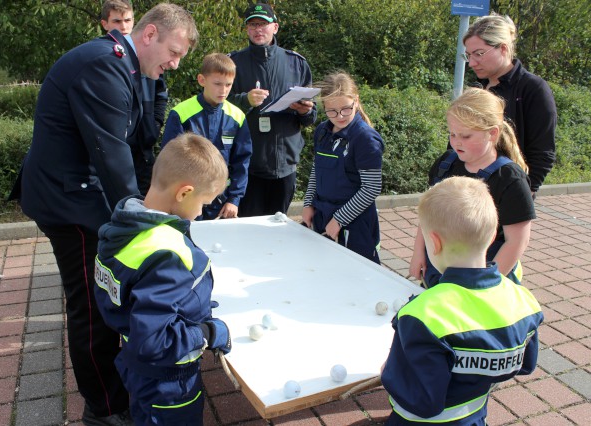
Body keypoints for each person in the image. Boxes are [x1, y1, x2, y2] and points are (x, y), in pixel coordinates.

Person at [10, 4, 198, 424]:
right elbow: (113, 157)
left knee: (106, 298)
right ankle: (104, 407)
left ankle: (114, 386)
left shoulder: (131, 67)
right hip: (71, 205)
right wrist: (151, 226)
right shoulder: (104, 65)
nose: (175, 62)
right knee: (93, 308)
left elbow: (141, 143)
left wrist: (161, 207)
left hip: (82, 194)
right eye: (173, 51)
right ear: (148, 34)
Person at [381, 176, 543, 425]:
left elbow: (419, 398)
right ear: (491, 238)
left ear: (433, 243)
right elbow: (524, 365)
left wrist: (387, 372)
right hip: (474, 416)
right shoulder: (524, 301)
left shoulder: (421, 315)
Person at [94, 133, 232, 426]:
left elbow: (129, 297)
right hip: (169, 382)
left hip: (136, 365)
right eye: (203, 203)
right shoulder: (168, 254)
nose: (200, 213)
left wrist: (189, 303)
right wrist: (206, 332)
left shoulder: (124, 225)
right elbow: (154, 340)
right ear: (184, 193)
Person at [409, 88, 535, 287]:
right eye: (452, 134)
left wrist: (485, 286)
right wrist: (418, 254)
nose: (456, 142)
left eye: (466, 136)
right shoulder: (445, 165)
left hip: (485, 273)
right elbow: (428, 218)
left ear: (492, 133)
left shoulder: (510, 179)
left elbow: (517, 241)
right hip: (440, 269)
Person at [228, 2, 316, 216]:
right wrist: (245, 99)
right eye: (253, 25)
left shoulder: (296, 63)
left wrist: (305, 111)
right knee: (249, 229)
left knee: (280, 228)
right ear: (247, 29)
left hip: (285, 164)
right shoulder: (233, 63)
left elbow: (311, 117)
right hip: (249, 164)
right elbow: (220, 106)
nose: (258, 29)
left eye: (263, 24)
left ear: (275, 27)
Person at [462, 13, 557, 196]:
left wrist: (523, 192)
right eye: (468, 56)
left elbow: (543, 152)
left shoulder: (533, 89)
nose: (472, 63)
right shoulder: (478, 88)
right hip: (470, 189)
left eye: (479, 54)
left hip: (507, 190)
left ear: (503, 48)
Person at [301, 71, 384, 264]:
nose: (339, 116)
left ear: (356, 100)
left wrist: (339, 220)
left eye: (346, 109)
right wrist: (308, 203)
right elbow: (316, 169)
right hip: (322, 214)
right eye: (332, 111)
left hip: (354, 224)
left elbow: (371, 188)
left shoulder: (365, 139)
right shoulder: (322, 131)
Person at [161, 53, 252, 219]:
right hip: (187, 201)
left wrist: (234, 199)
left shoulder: (237, 117)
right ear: (202, 80)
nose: (223, 90)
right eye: (217, 84)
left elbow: (242, 162)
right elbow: (169, 161)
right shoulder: (181, 113)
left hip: (222, 203)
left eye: (228, 85)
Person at [101, 0, 169, 196]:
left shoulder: (148, 57)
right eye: (117, 21)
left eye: (128, 20)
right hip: (119, 147)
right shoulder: (104, 59)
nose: (123, 26)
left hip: (144, 147)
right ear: (105, 24)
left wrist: (155, 123)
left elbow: (160, 95)